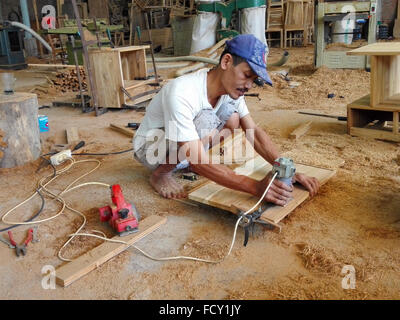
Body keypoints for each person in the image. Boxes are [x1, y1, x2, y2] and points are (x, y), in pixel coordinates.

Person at [133, 34, 320, 205]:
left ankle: (187, 164)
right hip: (151, 150)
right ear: (226, 61)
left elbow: (253, 131)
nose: (248, 85)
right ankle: (161, 173)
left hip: (181, 148)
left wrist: (286, 169)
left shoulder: (233, 92)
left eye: (253, 80)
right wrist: (255, 187)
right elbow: (197, 157)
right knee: (206, 121)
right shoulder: (183, 92)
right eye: (247, 75)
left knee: (233, 118)